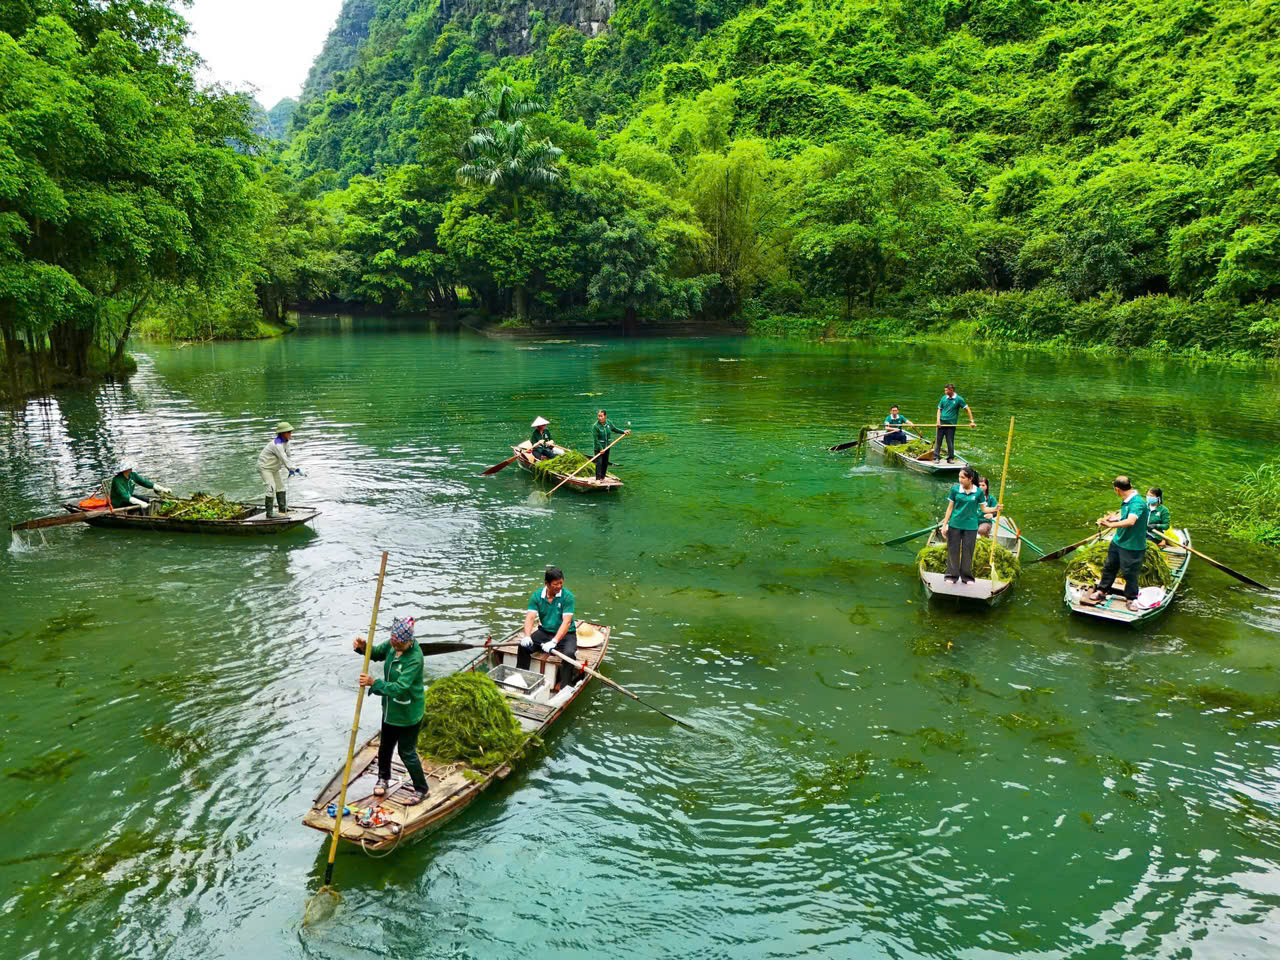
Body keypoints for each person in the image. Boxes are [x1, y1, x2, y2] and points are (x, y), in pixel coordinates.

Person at [353, 617, 428, 806]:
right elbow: (377, 652)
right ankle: (383, 778)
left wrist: (374, 683)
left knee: (406, 752)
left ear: (409, 641)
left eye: (400, 644)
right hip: (390, 710)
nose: (395, 646)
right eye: (393, 642)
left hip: (408, 712)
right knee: (385, 747)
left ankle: (421, 788)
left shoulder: (415, 659)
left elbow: (399, 687)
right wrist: (363, 647)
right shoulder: (393, 645)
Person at [1083, 476, 1150, 612]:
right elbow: (1126, 516)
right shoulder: (1127, 501)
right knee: (1109, 566)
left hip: (1133, 546)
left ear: (1117, 489)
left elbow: (1131, 521)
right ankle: (1102, 591)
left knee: (1130, 573)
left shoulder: (1137, 503)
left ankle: (1131, 599)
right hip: (1118, 542)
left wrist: (1109, 525)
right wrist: (1115, 518)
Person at [517, 566, 582, 694]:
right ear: (546, 584)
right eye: (555, 584)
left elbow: (567, 622)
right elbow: (530, 617)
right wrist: (527, 636)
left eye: (561, 583)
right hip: (545, 632)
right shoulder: (537, 596)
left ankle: (564, 689)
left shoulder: (567, 597)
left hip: (566, 634)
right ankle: (521, 679)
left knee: (569, 654)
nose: (559, 586)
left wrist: (554, 641)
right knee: (523, 647)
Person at [939, 466, 999, 583]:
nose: (960, 480)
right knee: (953, 550)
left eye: (963, 477)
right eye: (959, 477)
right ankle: (951, 575)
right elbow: (949, 509)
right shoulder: (955, 490)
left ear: (970, 478)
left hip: (971, 526)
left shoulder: (978, 492)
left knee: (968, 551)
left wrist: (995, 508)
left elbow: (984, 509)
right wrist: (944, 525)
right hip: (955, 524)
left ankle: (966, 577)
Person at [257, 421, 301, 517]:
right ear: (283, 433)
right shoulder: (276, 444)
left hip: (274, 468)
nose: (290, 434)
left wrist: (291, 468)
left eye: (290, 432)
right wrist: (295, 469)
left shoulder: (286, 442)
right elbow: (283, 457)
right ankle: (269, 513)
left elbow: (288, 456)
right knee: (271, 488)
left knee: (281, 486)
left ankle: (282, 508)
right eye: (288, 432)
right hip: (265, 467)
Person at [932, 384, 975, 463]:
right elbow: (939, 409)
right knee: (938, 441)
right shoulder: (944, 398)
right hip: (941, 424)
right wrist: (938, 421)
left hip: (951, 425)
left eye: (946, 390)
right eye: (945, 390)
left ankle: (950, 458)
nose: (945, 392)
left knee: (950, 442)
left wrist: (972, 422)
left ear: (951, 390)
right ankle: (936, 457)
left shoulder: (959, 399)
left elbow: (967, 409)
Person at [591, 409, 630, 481]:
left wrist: (623, 431)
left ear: (605, 416)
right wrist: (600, 449)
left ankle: (602, 478)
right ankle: (597, 479)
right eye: (598, 416)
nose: (599, 418)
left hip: (607, 447)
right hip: (598, 449)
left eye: (601, 416)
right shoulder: (595, 426)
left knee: (605, 463)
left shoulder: (608, 423)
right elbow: (595, 440)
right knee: (599, 463)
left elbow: (615, 429)